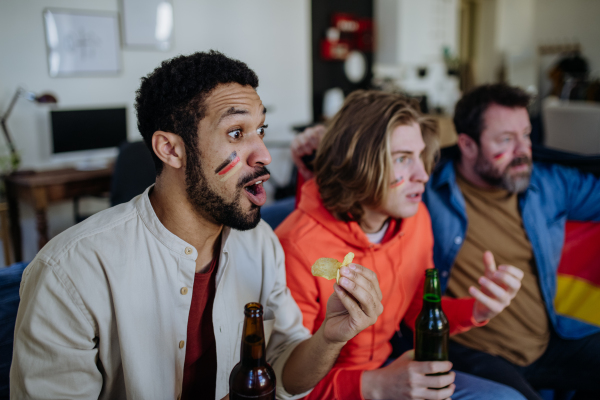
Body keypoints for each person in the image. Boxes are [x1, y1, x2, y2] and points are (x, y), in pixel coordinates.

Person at [10, 51, 384, 400]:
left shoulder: (261, 244)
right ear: (171, 150)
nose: (265, 154)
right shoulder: (69, 274)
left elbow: (284, 371)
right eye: (237, 133)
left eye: (261, 130)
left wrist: (331, 337)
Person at [278, 90, 527, 400]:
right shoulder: (296, 245)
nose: (423, 175)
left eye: (420, 156)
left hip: (390, 369)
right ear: (358, 163)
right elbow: (284, 382)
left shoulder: (415, 217)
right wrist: (374, 386)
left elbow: (415, 311)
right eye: (402, 159)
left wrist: (476, 308)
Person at [423, 83, 600, 399]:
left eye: (527, 135)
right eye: (506, 139)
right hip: (472, 352)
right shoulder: (425, 189)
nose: (523, 150)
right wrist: (316, 158)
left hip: (546, 340)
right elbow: (364, 185)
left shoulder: (549, 182)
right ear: (467, 144)